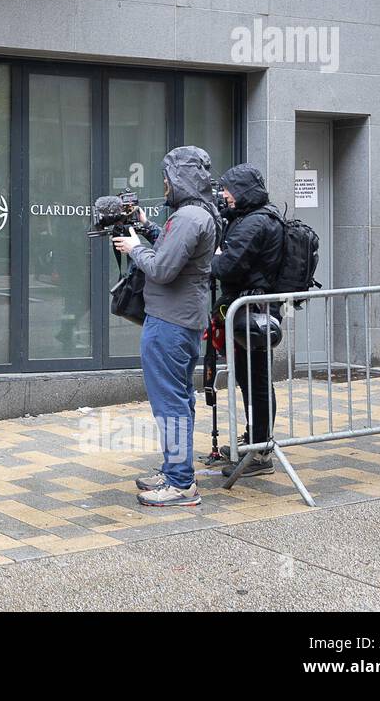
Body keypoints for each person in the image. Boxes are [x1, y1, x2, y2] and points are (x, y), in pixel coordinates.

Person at [112, 146, 219, 507]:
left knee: (169, 403)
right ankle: (175, 469)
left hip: (170, 322)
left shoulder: (189, 217)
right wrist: (148, 228)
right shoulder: (200, 213)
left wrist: (134, 247)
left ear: (181, 179)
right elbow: (175, 252)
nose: (164, 185)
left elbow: (161, 268)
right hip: (183, 319)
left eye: (168, 178)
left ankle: (180, 483)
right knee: (180, 399)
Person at [213, 164, 284, 478]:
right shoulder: (254, 218)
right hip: (253, 311)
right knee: (250, 378)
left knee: (255, 381)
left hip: (252, 312)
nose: (224, 195)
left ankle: (259, 452)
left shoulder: (255, 223)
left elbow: (227, 266)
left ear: (241, 191)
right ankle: (255, 441)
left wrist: (214, 256)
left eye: (228, 189)